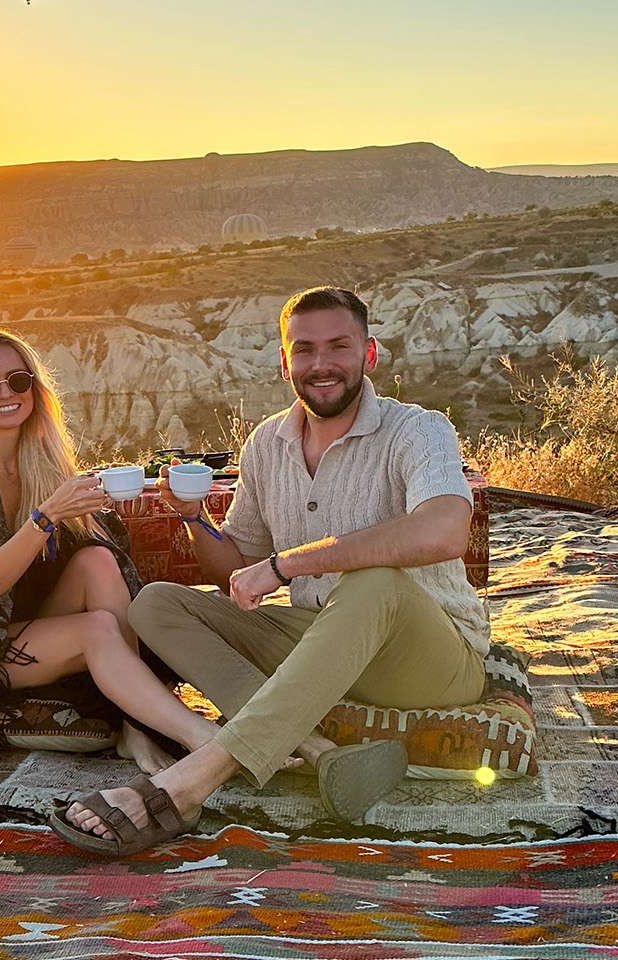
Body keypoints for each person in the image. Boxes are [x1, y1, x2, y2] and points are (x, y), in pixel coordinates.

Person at [51, 286, 490, 855]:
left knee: (376, 580)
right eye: (304, 350)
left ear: (370, 354)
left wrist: (288, 565)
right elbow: (234, 564)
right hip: (323, 641)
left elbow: (444, 531)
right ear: (285, 363)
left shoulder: (418, 430)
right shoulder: (267, 443)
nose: (321, 363)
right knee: (156, 603)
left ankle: (192, 781)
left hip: (428, 657)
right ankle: (313, 747)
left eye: (339, 346)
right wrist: (195, 520)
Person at [0, 327, 220, 771]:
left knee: (97, 559)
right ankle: (207, 741)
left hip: (25, 626)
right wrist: (46, 515)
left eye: (18, 380)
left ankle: (136, 727)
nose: (6, 394)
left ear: (33, 386)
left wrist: (99, 506)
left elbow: (92, 547)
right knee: (97, 629)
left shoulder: (42, 459)